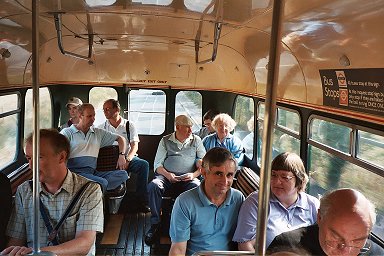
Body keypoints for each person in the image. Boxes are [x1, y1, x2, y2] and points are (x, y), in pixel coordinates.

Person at [1, 129, 103, 256]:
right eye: (29, 158)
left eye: (39, 157)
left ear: (61, 157)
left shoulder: (89, 190)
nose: (31, 166)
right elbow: (16, 240)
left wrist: (36, 253)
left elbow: (84, 244)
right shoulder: (25, 191)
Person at [233, 152, 320, 250]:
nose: (276, 182)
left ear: (300, 179)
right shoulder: (256, 202)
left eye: (284, 177)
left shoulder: (313, 205)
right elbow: (245, 245)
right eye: (273, 175)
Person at [169, 147, 245, 256]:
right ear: (204, 173)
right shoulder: (184, 202)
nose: (225, 181)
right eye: (218, 174)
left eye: (229, 175)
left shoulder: (238, 199)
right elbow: (178, 250)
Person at [145, 115, 206, 245]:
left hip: (188, 178)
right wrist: (168, 175)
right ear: (177, 127)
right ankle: (155, 223)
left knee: (196, 186)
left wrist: (193, 175)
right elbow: (157, 165)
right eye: (187, 127)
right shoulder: (165, 140)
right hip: (166, 177)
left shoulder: (196, 140)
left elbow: (204, 164)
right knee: (154, 186)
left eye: (191, 127)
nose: (191, 130)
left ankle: (190, 224)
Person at [267, 188, 376, 256]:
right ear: (319, 217)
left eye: (357, 242)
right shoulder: (286, 246)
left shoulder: (375, 253)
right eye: (336, 238)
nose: (345, 253)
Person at [60, 103, 129, 192]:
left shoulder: (98, 133)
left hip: (92, 173)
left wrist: (121, 155)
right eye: (89, 116)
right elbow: (58, 153)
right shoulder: (67, 133)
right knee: (102, 182)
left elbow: (121, 138)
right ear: (80, 116)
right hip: (74, 173)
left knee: (123, 174)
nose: (93, 119)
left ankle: (89, 189)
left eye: (94, 115)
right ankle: (95, 190)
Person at [99, 99, 150, 212]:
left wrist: (127, 159)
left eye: (108, 109)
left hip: (127, 157)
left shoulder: (128, 125)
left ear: (117, 110)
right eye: (104, 109)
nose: (105, 112)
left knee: (144, 165)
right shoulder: (101, 127)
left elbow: (134, 146)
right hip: (109, 161)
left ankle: (142, 201)